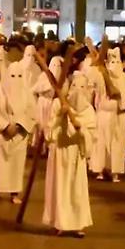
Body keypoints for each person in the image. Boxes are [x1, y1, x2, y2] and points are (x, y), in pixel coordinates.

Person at [42, 68, 97, 237]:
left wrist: (81, 131)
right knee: (60, 187)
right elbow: (49, 132)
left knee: (76, 189)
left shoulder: (88, 110)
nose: (78, 92)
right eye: (75, 86)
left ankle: (77, 223)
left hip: (76, 154)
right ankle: (59, 222)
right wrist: (60, 117)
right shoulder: (59, 104)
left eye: (82, 87)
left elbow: (92, 135)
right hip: (60, 152)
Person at [0, 56, 37, 204]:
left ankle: (14, 193)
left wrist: (20, 125)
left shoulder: (27, 93)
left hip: (19, 136)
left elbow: (32, 112)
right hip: (2, 136)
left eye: (19, 76)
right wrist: (5, 126)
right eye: (13, 76)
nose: (16, 79)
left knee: (16, 166)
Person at [90, 48, 125, 183]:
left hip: (119, 115)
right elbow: (93, 84)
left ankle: (115, 171)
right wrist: (97, 68)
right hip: (103, 115)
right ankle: (100, 168)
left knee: (117, 144)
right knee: (101, 142)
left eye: (116, 61)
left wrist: (121, 98)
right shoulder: (102, 76)